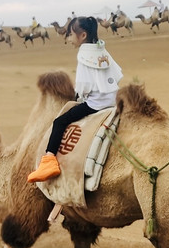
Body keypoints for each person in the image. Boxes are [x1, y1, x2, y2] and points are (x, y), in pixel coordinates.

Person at [26, 16, 122, 183]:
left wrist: (78, 96)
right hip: (113, 99)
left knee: (60, 122)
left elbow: (83, 86)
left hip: (96, 104)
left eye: (70, 34)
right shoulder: (100, 49)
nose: (68, 38)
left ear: (82, 35)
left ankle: (49, 161)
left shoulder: (84, 54)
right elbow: (116, 74)